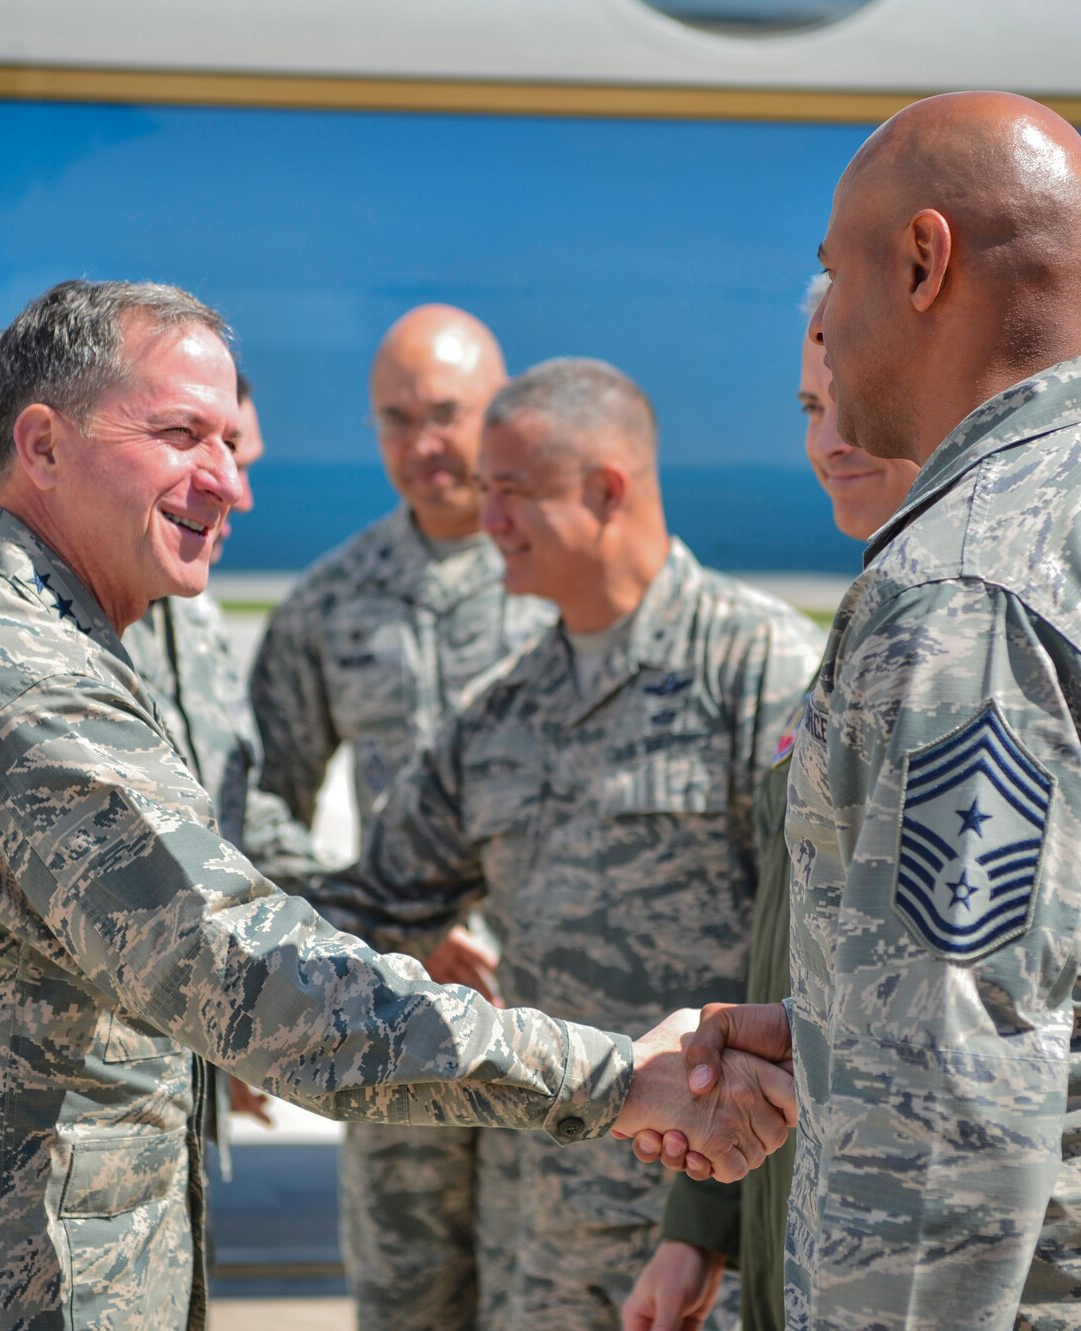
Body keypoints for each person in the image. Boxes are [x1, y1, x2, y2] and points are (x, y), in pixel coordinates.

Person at [0, 279, 799, 1331]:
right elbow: (251, 970)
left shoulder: (57, 643)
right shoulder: (1, 676)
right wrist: (618, 1076)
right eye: (180, 434)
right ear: (44, 445)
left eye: (228, 443)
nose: (229, 484)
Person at [654, 92, 1081, 1329]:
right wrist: (841, 1020)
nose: (824, 333)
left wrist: (886, 1046)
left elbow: (951, 1096)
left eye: (832, 273)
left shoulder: (966, 582)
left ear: (921, 261)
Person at [301, 357, 823, 1329]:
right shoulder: (496, 710)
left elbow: (813, 954)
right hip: (535, 1240)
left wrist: (703, 1225)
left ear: (604, 490)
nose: (484, 517)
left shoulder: (759, 671)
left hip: (709, 1231)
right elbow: (370, 901)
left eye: (510, 493)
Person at [249, 304, 553, 1331]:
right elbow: (250, 809)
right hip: (397, 1039)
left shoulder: (571, 582)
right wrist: (370, 922)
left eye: (445, 414)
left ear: (500, 410)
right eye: (395, 420)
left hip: (555, 1036)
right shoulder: (332, 603)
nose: (422, 444)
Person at [626, 273, 919, 1331]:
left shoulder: (955, 640)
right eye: (808, 406)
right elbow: (775, 949)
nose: (829, 437)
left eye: (853, 400)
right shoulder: (860, 631)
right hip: (791, 1227)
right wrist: (694, 1224)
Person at [120, 372, 315, 1151]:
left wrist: (386, 922)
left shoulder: (191, 611)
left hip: (173, 1121)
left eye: (244, 458)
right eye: (216, 449)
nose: (237, 491)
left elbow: (232, 815)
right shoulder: (55, 646)